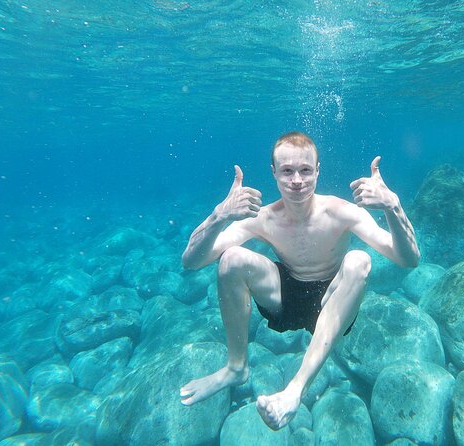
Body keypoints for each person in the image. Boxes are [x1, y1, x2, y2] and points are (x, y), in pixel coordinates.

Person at [179, 132, 420, 430]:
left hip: (334, 300)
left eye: (306, 170)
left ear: (318, 170)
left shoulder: (342, 212)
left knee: (360, 260)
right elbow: (191, 261)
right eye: (287, 171)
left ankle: (295, 389)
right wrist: (219, 215)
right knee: (230, 259)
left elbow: (408, 259)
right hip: (286, 297)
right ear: (274, 173)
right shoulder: (263, 218)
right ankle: (235, 367)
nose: (297, 180)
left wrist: (392, 206)